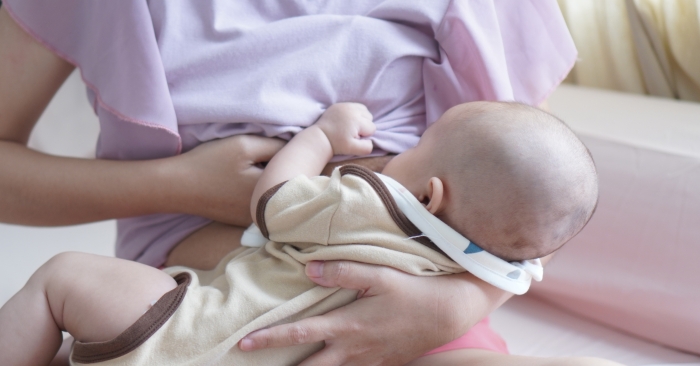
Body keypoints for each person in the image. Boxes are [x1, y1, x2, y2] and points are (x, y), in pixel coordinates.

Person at [0, 1, 592, 365]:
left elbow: (528, 201)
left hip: (394, 326)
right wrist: (175, 185)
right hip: (199, 298)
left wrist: (454, 305)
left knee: (62, 282)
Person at [0, 101, 620, 366]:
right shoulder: (489, 266)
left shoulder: (368, 204)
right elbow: (527, 248)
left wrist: (322, 137)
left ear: (430, 193)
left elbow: (273, 203)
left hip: (192, 337)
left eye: (420, 144)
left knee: (62, 279)